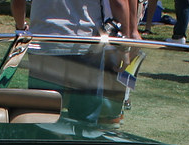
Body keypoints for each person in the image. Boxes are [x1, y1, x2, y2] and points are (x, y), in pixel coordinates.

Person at [11, 0, 140, 124]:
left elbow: (18, 2)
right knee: (85, 123)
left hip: (44, 42)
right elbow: (118, 3)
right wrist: (125, 46)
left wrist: (21, 27)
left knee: (42, 118)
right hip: (85, 43)